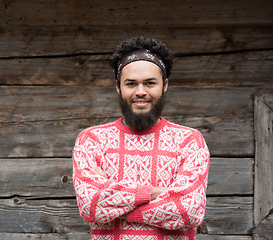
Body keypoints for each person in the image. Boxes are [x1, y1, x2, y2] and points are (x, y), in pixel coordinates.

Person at [72, 36, 210, 239]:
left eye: (150, 83)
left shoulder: (189, 141)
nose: (140, 92)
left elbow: (189, 211)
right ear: (118, 87)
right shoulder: (92, 140)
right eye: (131, 84)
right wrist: (155, 193)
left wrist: (115, 202)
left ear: (165, 85)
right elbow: (90, 206)